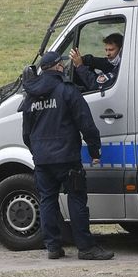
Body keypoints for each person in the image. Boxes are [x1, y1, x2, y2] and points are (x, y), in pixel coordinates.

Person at [21, 51, 115, 260]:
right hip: (67, 157)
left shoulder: (31, 95)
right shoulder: (67, 90)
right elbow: (86, 123)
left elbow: (27, 133)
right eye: (61, 64)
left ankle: (53, 247)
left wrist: (37, 152)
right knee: (77, 199)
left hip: (43, 160)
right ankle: (85, 247)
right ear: (57, 67)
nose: (63, 67)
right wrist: (94, 149)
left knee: (47, 201)